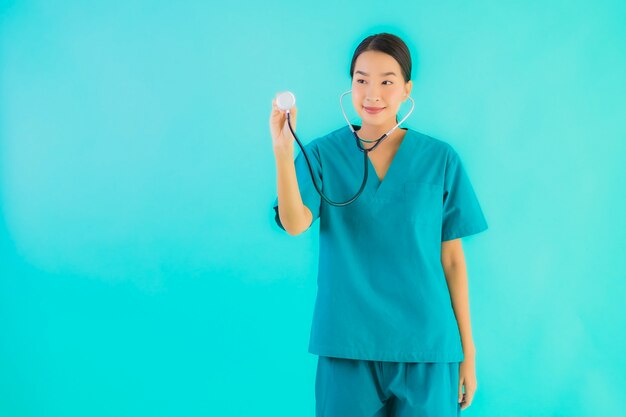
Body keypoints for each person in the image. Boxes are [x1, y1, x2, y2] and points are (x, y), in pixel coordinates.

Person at [269, 32, 488, 417]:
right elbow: (294, 223)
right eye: (361, 80)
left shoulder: (440, 159)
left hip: (427, 346)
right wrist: (283, 152)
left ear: (406, 89)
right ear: (350, 85)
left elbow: (452, 259)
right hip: (347, 344)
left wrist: (467, 353)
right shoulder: (322, 154)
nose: (372, 93)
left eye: (387, 81)